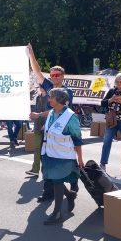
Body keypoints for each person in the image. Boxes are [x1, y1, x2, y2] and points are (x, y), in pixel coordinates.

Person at [27, 43, 78, 201]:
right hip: (48, 130)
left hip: (64, 131)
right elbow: (36, 72)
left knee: (65, 159)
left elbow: (58, 111)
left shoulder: (66, 92)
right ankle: (48, 192)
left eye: (57, 75)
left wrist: (38, 115)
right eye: (52, 75)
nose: (54, 77)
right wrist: (31, 54)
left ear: (63, 76)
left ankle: (74, 178)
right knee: (46, 160)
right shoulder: (49, 86)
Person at [41, 88, 83, 225]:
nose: (49, 99)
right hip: (50, 154)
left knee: (57, 181)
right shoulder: (52, 113)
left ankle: (57, 213)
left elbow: (77, 139)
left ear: (58, 99)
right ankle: (70, 195)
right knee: (54, 180)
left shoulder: (71, 117)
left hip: (64, 156)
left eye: (51, 97)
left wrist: (80, 158)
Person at [26, 86, 48, 177]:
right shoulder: (38, 97)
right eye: (40, 86)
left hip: (47, 127)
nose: (41, 88)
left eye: (43, 86)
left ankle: (46, 171)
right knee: (37, 149)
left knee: (45, 151)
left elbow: (50, 113)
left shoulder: (50, 97)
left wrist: (46, 125)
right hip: (38, 126)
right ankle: (35, 170)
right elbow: (37, 111)